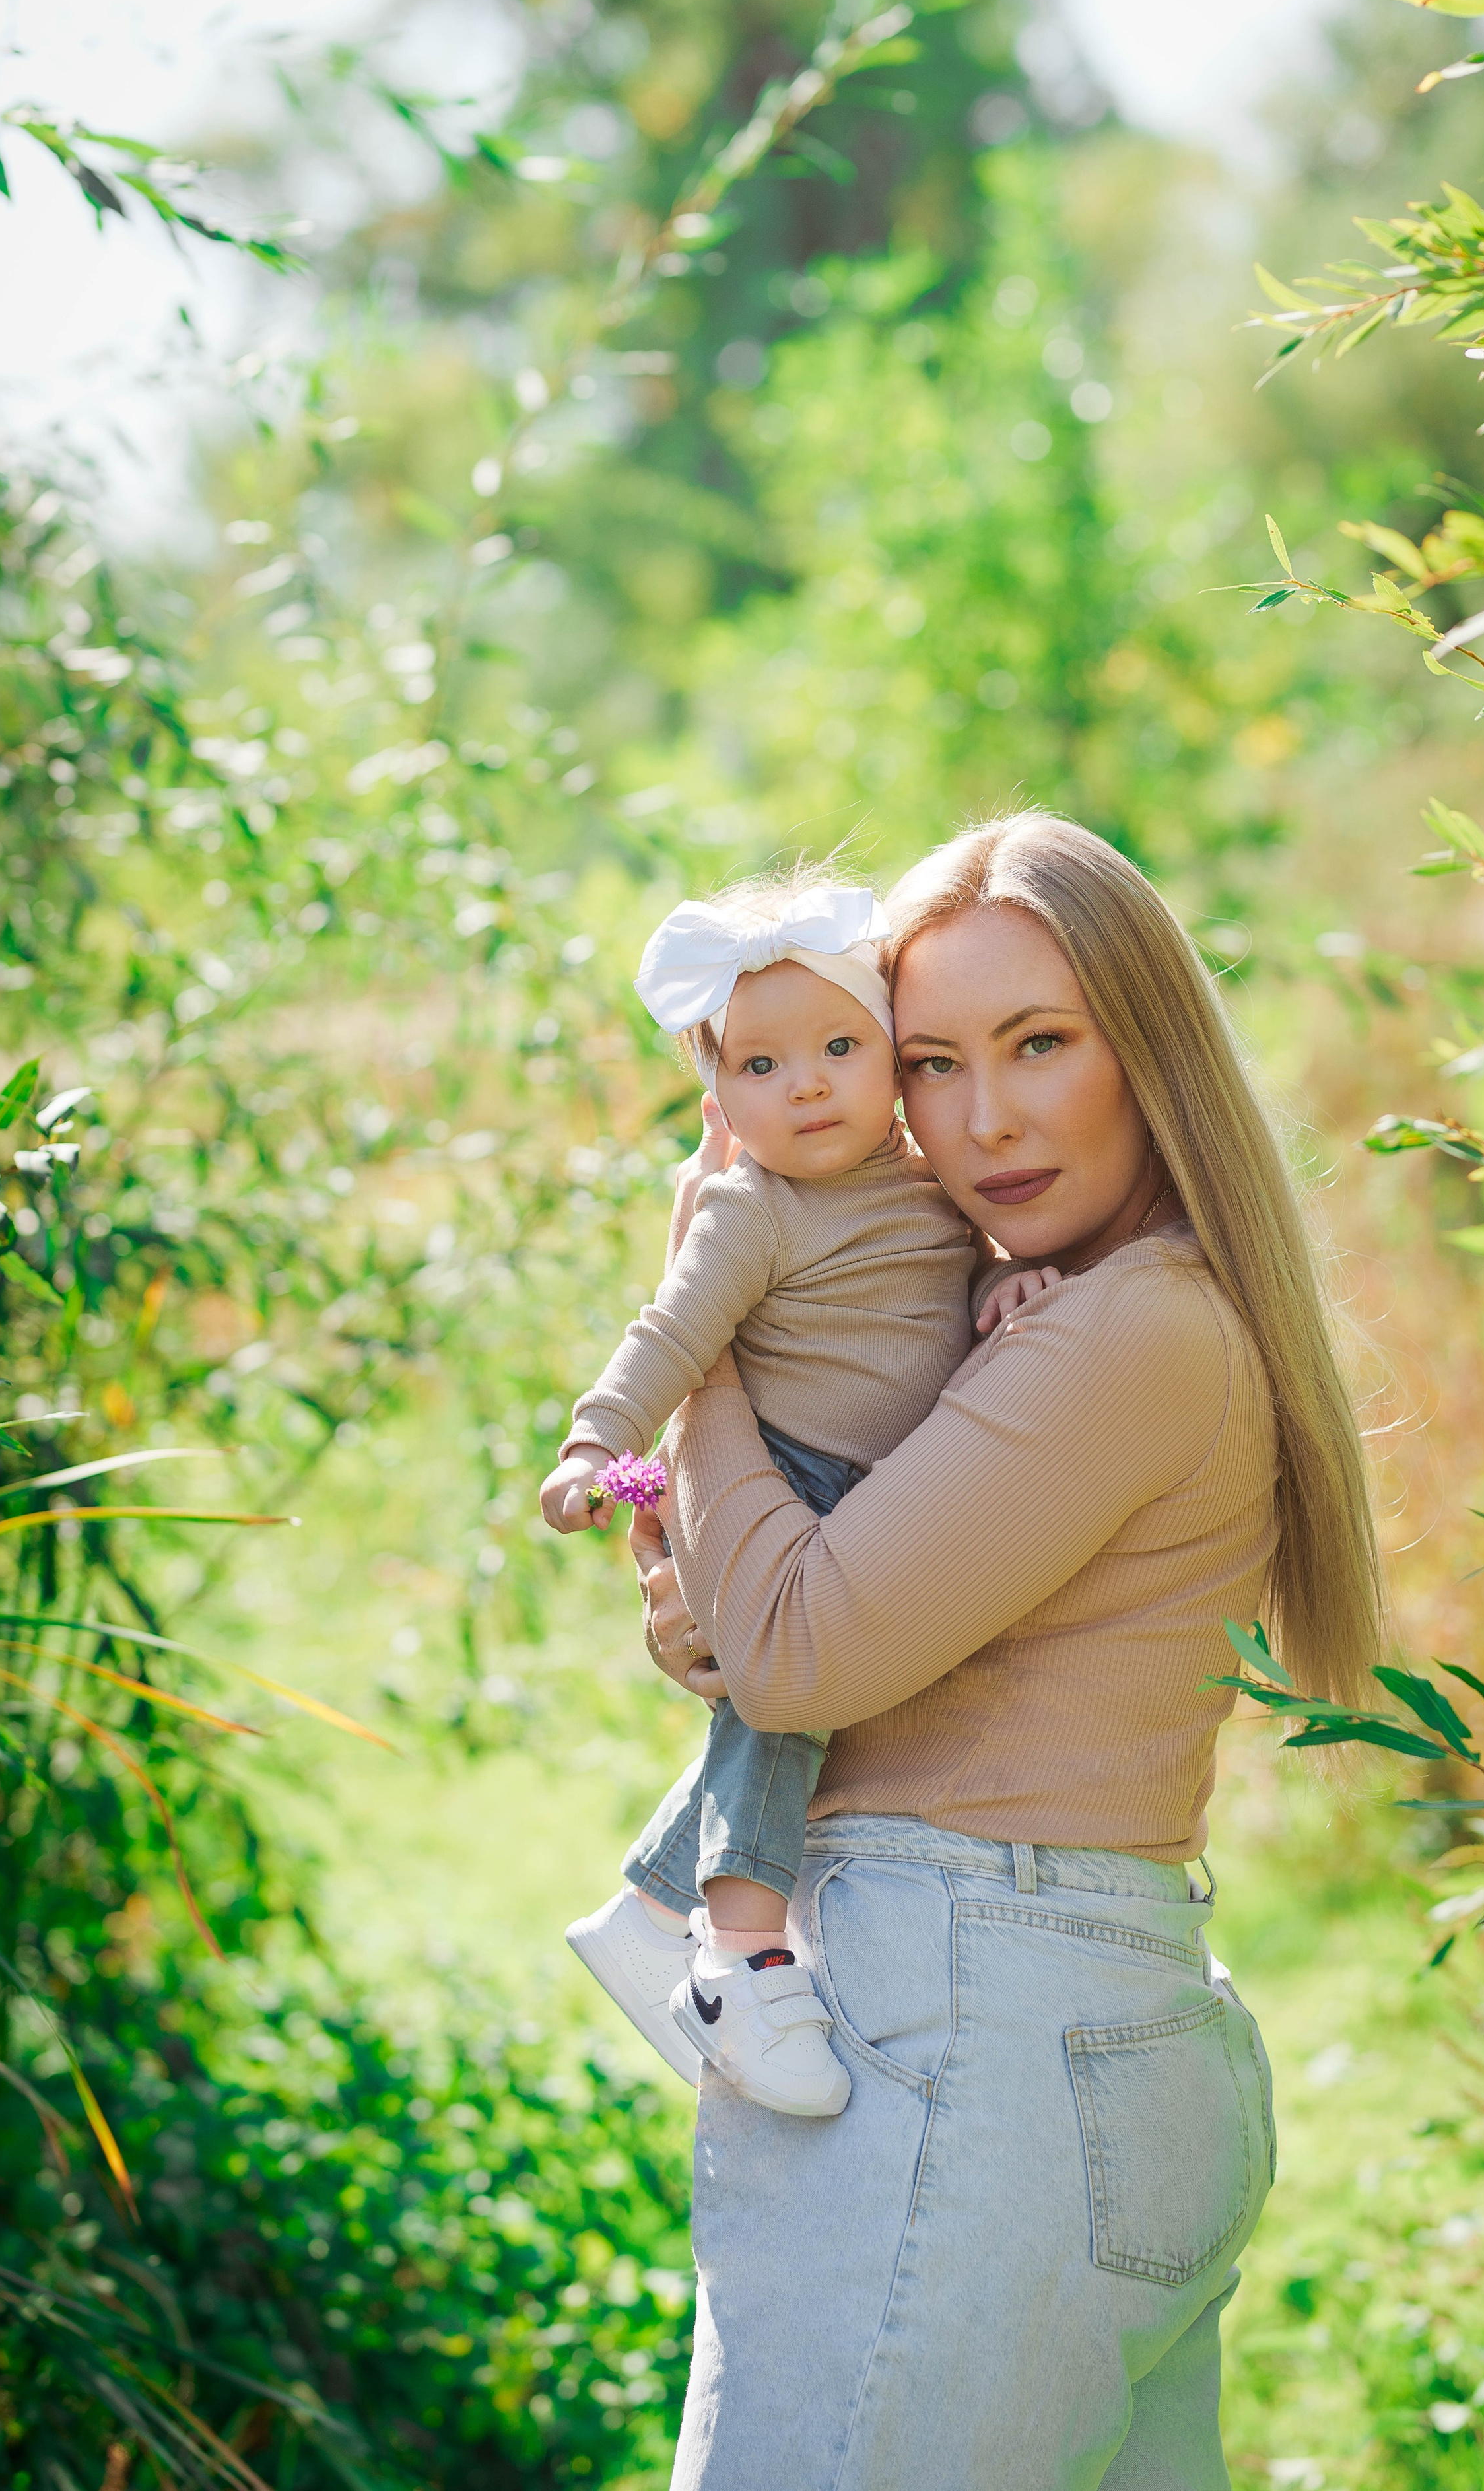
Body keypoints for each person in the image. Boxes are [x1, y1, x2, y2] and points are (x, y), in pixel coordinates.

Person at [630, 813, 1382, 2490]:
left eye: (1040, 1043)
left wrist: (707, 1330)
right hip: (1067, 2035)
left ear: (1148, 1047)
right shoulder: (1050, 1313)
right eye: (930, 1063)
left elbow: (798, 1652)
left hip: (974, 2032)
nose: (985, 1120)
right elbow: (756, 1619)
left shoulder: (1128, 1327)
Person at [541, 870, 1056, 2115]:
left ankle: (651, 1909)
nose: (809, 1083)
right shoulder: (748, 1211)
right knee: (789, 1700)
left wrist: (998, 1298)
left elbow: (941, 1286)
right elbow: (669, 1334)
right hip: (790, 1474)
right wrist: (591, 1439)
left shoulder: (927, 1180)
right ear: (714, 1094)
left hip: (890, 1477)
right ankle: (742, 1955)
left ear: (893, 1056)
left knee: (815, 1709)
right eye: (761, 1067)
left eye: (838, 1046)